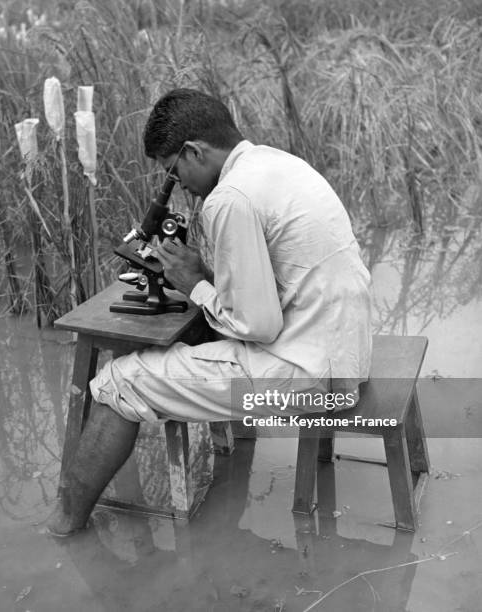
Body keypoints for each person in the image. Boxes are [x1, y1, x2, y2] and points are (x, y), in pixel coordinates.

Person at [47, 88, 372, 536]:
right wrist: (203, 271)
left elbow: (257, 325)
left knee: (117, 383)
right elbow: (270, 282)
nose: (179, 185)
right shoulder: (278, 164)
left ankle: (61, 531)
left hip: (306, 376)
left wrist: (193, 284)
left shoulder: (229, 198)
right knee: (197, 343)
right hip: (347, 355)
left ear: (193, 151)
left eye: (174, 171)